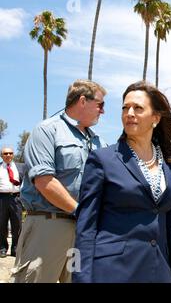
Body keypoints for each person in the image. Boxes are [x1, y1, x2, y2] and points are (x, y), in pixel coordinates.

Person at [73, 81, 171, 283]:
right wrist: (81, 278)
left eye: (138, 108)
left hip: (159, 273)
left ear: (155, 117)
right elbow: (85, 228)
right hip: (112, 272)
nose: (129, 113)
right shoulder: (102, 160)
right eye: (125, 108)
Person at [10, 80, 107, 283]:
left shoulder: (99, 142)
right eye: (100, 104)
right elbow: (44, 181)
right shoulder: (46, 131)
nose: (103, 111)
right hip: (48, 227)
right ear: (82, 101)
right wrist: (82, 213)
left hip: (83, 234)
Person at [0, 147, 26, 258]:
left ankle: (15, 248)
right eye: (6, 153)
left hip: (16, 199)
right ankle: (2, 248)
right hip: (1, 198)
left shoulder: (21, 167)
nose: (8, 155)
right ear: (2, 155)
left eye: (11, 153)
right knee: (1, 224)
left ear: (13, 155)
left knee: (17, 225)